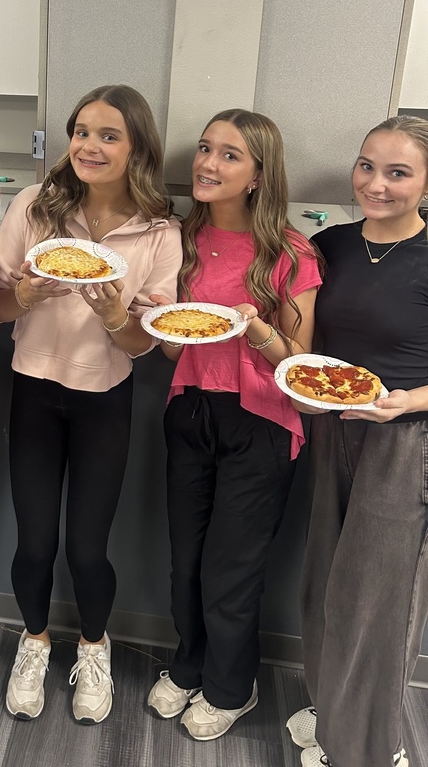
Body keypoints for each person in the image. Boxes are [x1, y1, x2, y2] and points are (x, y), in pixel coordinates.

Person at [0, 85, 182, 725]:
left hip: (105, 398)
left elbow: (141, 344)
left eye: (109, 136)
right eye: (81, 132)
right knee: (34, 542)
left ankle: (94, 647)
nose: (90, 147)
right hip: (33, 390)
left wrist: (118, 313)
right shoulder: (34, 207)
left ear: (137, 149)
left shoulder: (158, 231)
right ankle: (35, 641)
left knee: (88, 549)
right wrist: (29, 296)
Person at [146, 108, 322, 741]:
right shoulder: (180, 239)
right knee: (185, 558)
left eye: (228, 155)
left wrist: (262, 330)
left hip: (264, 421)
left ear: (257, 175)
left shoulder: (291, 252)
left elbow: (301, 370)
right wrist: (148, 314)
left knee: (231, 566)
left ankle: (232, 686)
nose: (207, 164)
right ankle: (190, 663)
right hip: (191, 407)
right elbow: (173, 348)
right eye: (204, 149)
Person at [286, 115, 428, 767]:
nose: (376, 183)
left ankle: (370, 751)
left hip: (401, 443)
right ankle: (331, 712)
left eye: (398, 172)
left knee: (377, 603)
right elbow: (308, 342)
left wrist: (410, 402)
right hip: (330, 428)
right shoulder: (331, 244)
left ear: (425, 182)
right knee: (326, 581)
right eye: (367, 165)